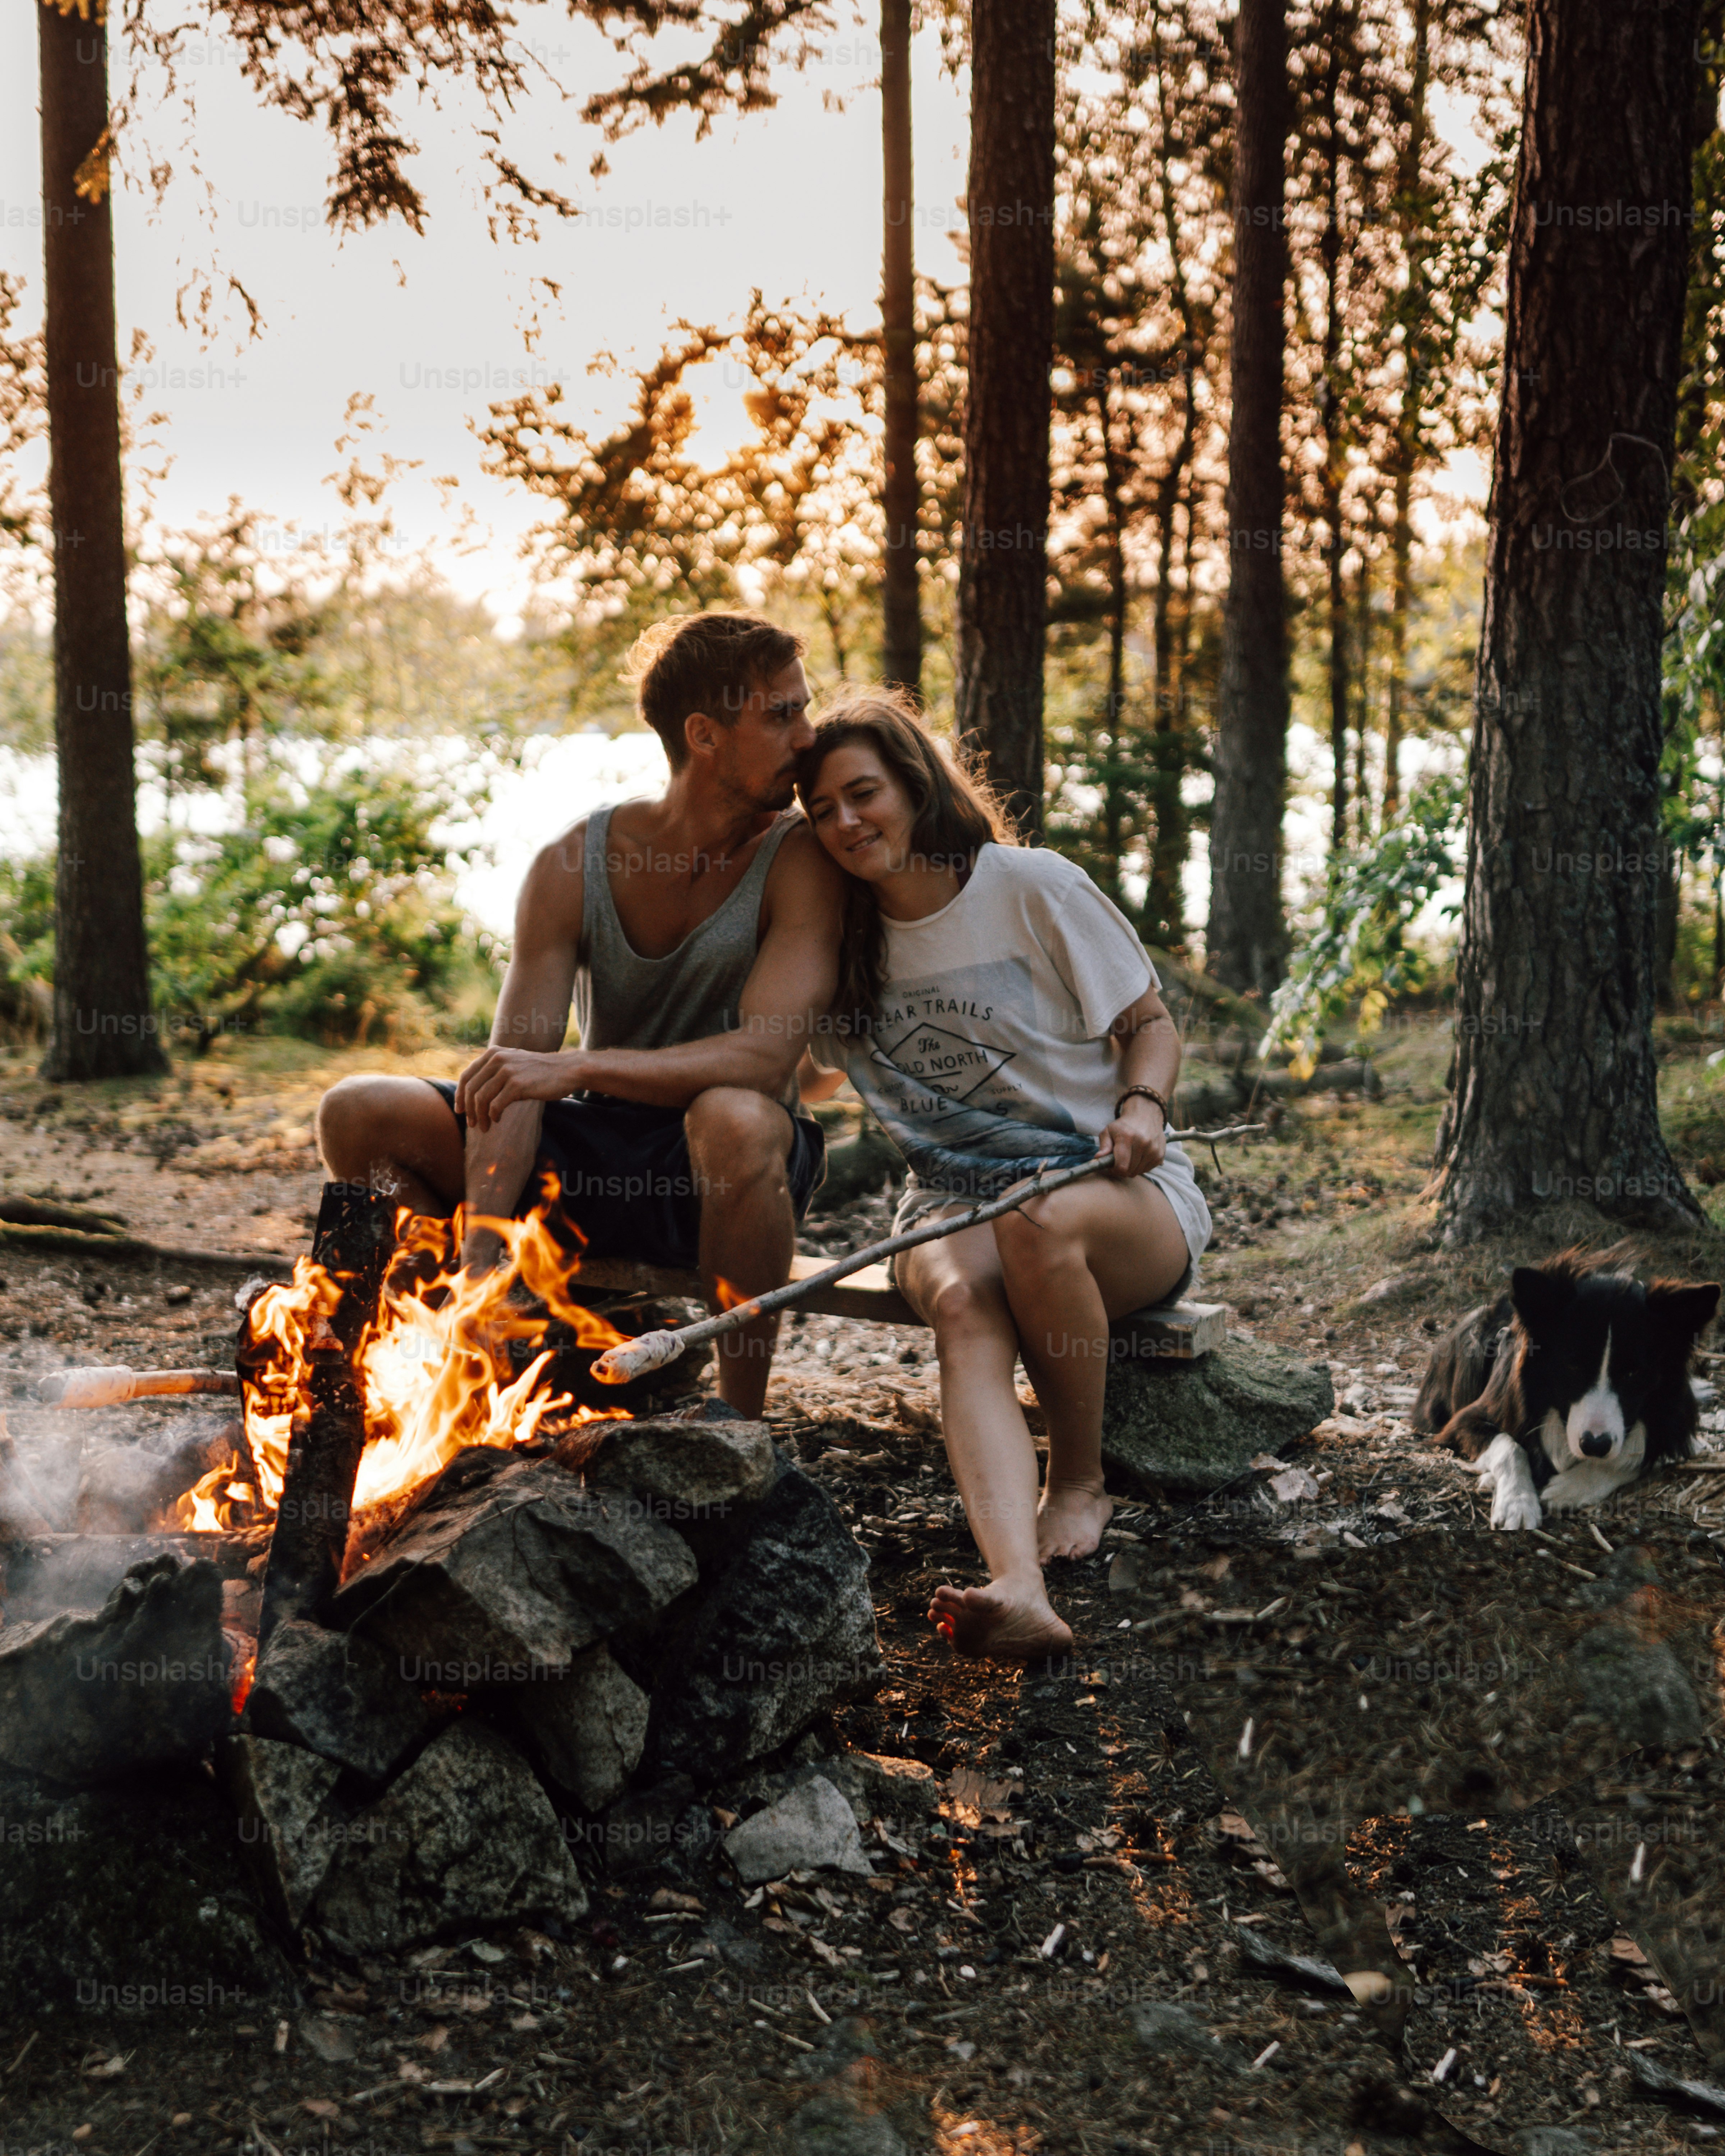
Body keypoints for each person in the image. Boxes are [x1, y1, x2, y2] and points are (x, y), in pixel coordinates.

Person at [316, 612, 844, 1415]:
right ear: (704, 735)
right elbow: (511, 1079)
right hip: (592, 1159)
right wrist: (483, 1261)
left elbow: (765, 1061)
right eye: (783, 714)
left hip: (726, 1173)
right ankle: (448, 1361)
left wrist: (576, 1067)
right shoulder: (573, 863)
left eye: (804, 710)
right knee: (356, 1112)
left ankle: (739, 1422)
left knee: (733, 1116)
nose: (808, 737)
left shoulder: (801, 859)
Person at [794, 688, 1211, 1662]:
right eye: (821, 810)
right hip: (948, 1201)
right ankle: (1017, 1583)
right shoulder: (837, 938)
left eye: (864, 793)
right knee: (959, 1300)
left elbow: (1149, 1024)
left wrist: (1142, 1108)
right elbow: (803, 1074)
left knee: (1037, 1221)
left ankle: (1080, 1480)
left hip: (1111, 1193)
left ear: (916, 784)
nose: (846, 822)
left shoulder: (1031, 887)